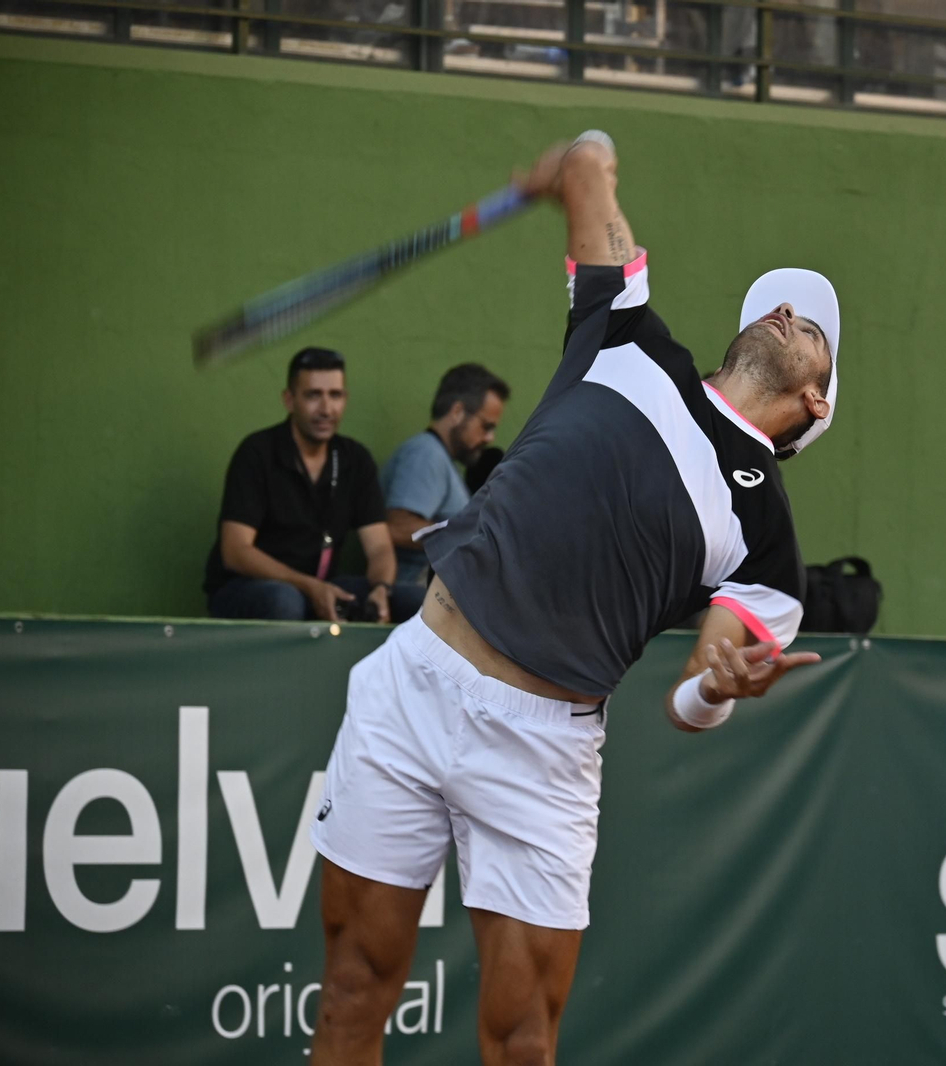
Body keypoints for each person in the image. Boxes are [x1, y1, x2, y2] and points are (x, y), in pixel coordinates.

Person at [308, 132, 840, 1066]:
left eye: (810, 327)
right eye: (778, 305)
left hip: (540, 752)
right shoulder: (626, 333)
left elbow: (691, 695)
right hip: (414, 679)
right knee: (354, 988)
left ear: (818, 402)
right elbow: (594, 167)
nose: (788, 313)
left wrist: (720, 684)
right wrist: (574, 161)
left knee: (520, 1041)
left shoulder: (766, 530)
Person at [204, 347, 413, 624]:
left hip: (321, 585)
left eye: (335, 395)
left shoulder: (355, 459)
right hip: (249, 587)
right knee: (284, 600)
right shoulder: (257, 453)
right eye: (313, 395)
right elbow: (235, 551)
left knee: (414, 601)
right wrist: (308, 586)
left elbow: (379, 548)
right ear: (289, 400)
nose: (326, 409)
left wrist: (381, 590)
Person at [380, 363, 510, 590]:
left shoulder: (438, 457)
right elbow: (397, 528)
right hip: (415, 597)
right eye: (486, 426)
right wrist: (471, 537)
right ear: (457, 412)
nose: (490, 437)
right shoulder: (426, 454)